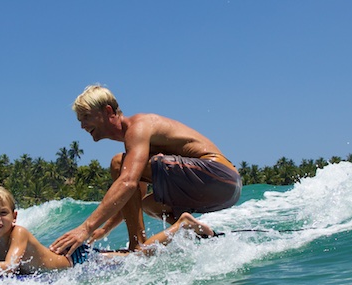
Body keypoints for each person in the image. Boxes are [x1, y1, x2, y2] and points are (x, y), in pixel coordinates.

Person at [50, 84, 241, 258]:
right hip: (223, 188)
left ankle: (137, 246)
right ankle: (191, 229)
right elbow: (130, 196)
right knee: (149, 204)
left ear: (108, 111)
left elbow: (127, 182)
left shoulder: (138, 127)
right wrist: (104, 229)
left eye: (86, 117)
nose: (82, 125)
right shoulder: (137, 151)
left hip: (218, 174)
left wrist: (86, 228)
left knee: (118, 163)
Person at [0, 186, 217, 285]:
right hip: (67, 263)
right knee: (132, 255)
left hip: (78, 263)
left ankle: (182, 225)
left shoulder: (18, 234)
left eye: (3, 213)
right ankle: (181, 227)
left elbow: (7, 266)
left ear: (15, 216)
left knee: (137, 256)